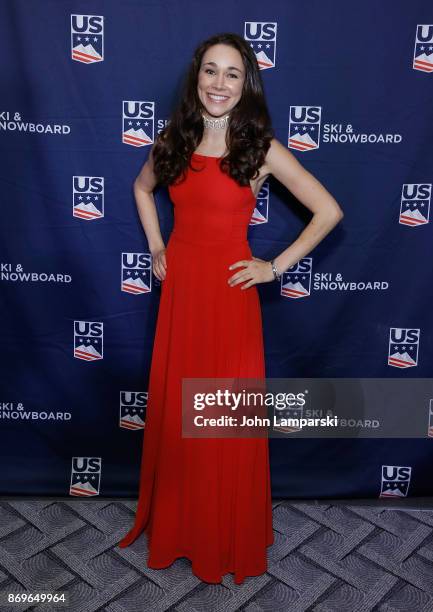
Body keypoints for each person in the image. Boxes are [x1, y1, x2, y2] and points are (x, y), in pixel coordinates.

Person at [118, 32, 344, 584]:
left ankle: (224, 530)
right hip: (182, 293)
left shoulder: (260, 148)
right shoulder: (175, 138)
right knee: (179, 414)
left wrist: (274, 266)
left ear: (248, 84)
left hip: (229, 297)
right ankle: (182, 526)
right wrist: (156, 246)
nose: (219, 83)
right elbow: (142, 188)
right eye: (211, 71)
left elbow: (328, 211)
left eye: (232, 74)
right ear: (196, 78)